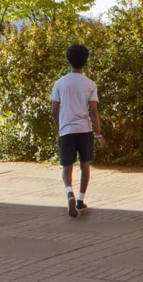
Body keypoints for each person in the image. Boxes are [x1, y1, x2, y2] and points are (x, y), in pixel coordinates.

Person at [50, 42, 102, 217]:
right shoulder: (90, 84)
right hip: (84, 129)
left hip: (66, 130)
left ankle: (69, 193)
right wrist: (99, 134)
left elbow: (54, 110)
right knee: (84, 164)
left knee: (67, 166)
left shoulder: (60, 83)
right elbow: (93, 111)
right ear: (85, 61)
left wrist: (60, 128)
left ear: (68, 60)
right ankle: (80, 199)